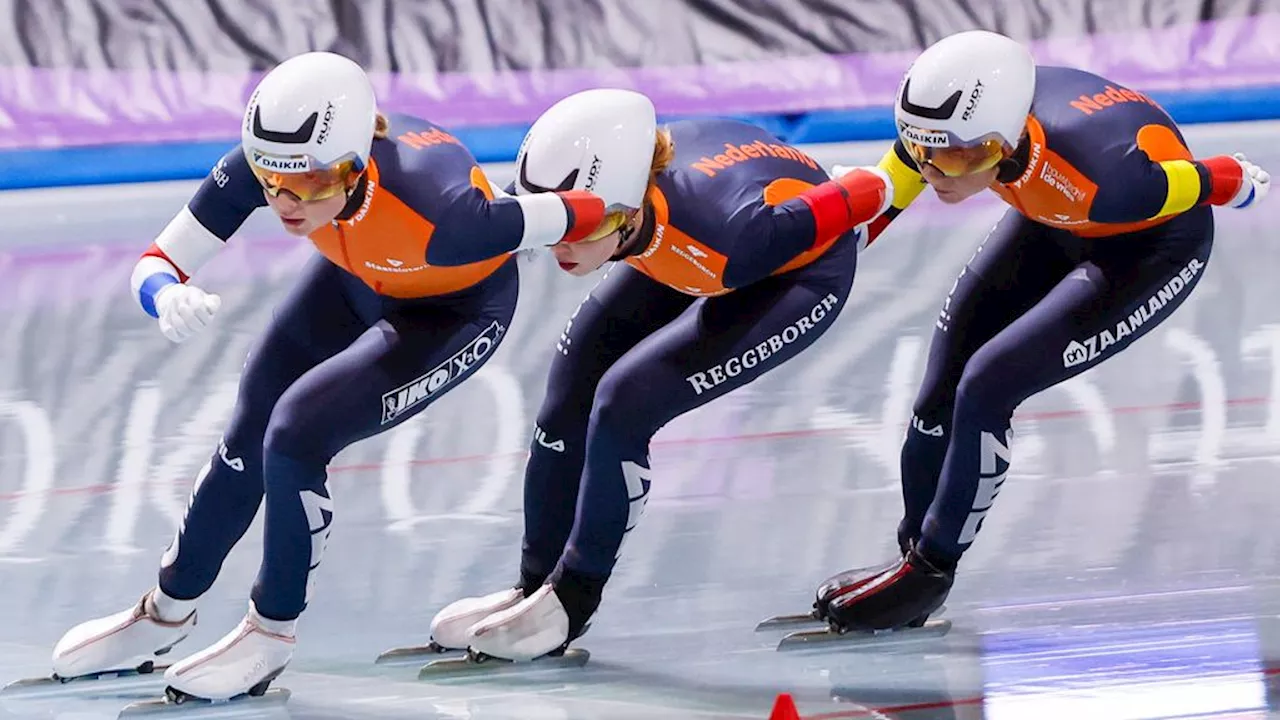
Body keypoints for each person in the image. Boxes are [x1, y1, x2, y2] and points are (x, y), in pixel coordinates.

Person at [46, 51, 609, 701]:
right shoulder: (279, 164)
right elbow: (159, 259)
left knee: (296, 434)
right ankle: (165, 611)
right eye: (270, 179)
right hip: (357, 277)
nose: (286, 201)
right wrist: (166, 294)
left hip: (453, 312)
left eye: (309, 184)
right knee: (250, 426)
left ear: (357, 164)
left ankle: (270, 632)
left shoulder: (449, 216)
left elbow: (584, 209)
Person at [808, 29, 1270, 633]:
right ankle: (908, 561)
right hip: (1051, 215)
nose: (935, 172)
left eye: (956, 157)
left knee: (988, 384)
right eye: (920, 150)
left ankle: (931, 571)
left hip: (1148, 246)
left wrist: (1235, 181)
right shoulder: (953, 130)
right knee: (939, 387)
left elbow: (1209, 181)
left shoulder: (1110, 180)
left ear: (1009, 138)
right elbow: (890, 194)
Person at [421, 87, 900, 663]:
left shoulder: (733, 236)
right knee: (572, 379)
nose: (558, 246)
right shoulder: (625, 207)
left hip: (792, 272)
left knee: (626, 402)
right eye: (554, 224)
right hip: (675, 242)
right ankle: (534, 583)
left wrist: (873, 184)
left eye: (576, 229)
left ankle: (572, 599)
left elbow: (865, 195)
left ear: (624, 210)